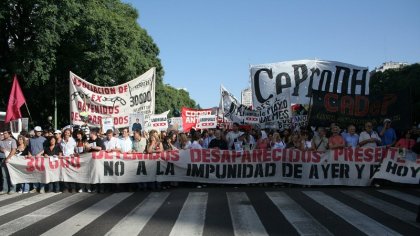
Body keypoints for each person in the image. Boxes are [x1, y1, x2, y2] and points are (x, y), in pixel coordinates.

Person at [28, 126, 47, 193]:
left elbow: (45, 149)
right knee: (34, 173)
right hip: (33, 159)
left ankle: (42, 187)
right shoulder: (30, 139)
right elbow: (29, 149)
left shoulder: (44, 139)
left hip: (41, 158)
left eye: (40, 131)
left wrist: (39, 154)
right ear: (35, 132)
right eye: (38, 131)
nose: (39, 133)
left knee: (41, 173)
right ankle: (35, 187)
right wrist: (29, 154)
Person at [60, 128, 78, 193]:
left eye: (68, 133)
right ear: (64, 133)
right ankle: (66, 187)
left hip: (71, 158)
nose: (67, 134)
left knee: (71, 173)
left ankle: (73, 187)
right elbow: (61, 150)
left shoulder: (73, 141)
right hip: (64, 159)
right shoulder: (61, 141)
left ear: (70, 134)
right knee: (64, 174)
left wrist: (74, 154)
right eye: (66, 132)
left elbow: (76, 149)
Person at [0, 130, 17, 194]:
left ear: (9, 134)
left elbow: (13, 150)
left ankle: (13, 189)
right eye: (3, 133)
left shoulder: (13, 141)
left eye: (5, 133)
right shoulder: (1, 141)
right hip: (2, 159)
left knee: (11, 174)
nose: (4, 134)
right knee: (4, 175)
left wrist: (8, 158)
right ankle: (5, 189)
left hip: (10, 160)